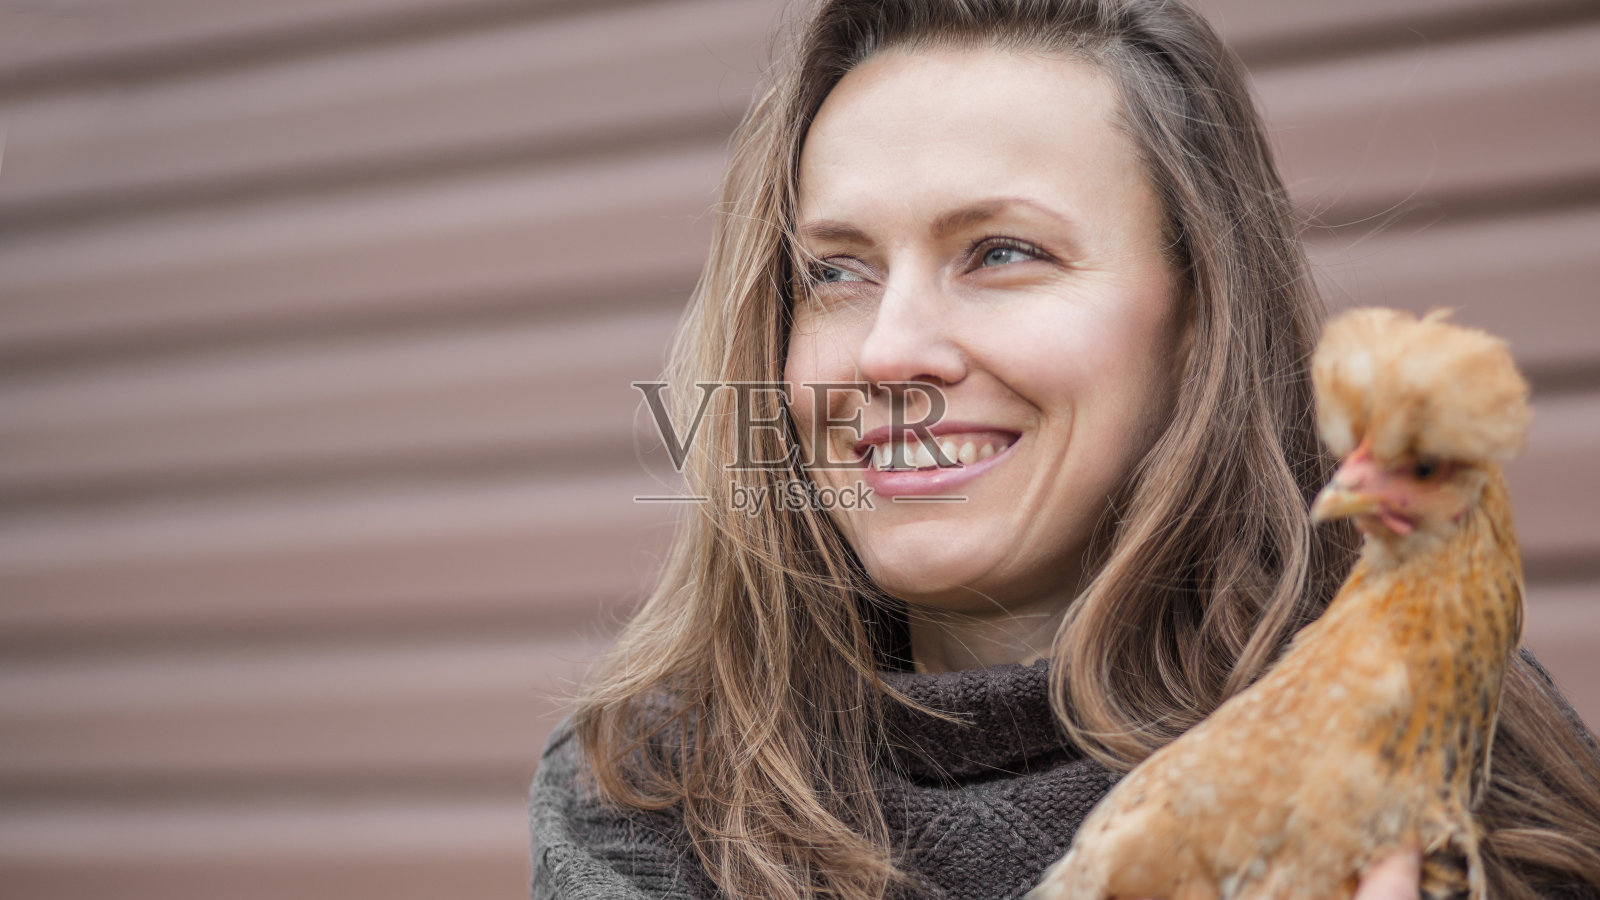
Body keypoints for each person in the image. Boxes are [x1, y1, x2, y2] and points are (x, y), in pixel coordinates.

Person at [530, 1, 1600, 898]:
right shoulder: (650, 801)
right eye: (836, 272)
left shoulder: (1460, 763)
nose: (889, 351)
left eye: (1001, 252)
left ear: (1199, 322)